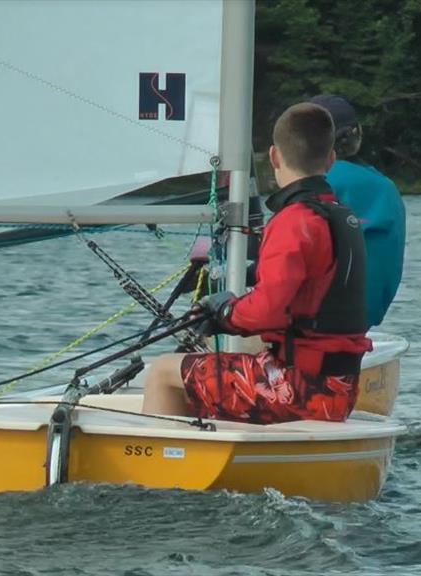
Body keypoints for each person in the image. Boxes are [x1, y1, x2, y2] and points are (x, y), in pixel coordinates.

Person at [142, 102, 372, 424]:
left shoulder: (294, 222)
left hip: (298, 390)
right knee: (223, 366)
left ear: (274, 157)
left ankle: (162, 468)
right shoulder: (342, 218)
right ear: (332, 159)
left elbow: (268, 310)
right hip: (339, 389)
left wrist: (224, 312)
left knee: (163, 371)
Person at [309, 95, 406, 328]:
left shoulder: (313, 186)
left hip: (311, 329)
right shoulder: (386, 188)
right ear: (356, 134)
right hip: (360, 324)